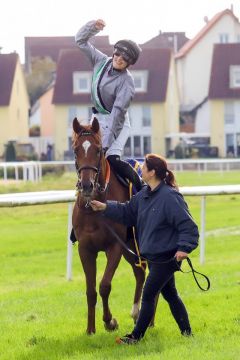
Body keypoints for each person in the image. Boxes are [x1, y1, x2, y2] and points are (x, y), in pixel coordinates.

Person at [90, 153, 199, 344]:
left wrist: (184, 248)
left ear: (152, 172)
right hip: (154, 257)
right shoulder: (143, 195)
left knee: (148, 295)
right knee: (171, 295)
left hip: (166, 258)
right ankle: (187, 333)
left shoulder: (170, 197)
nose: (140, 168)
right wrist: (104, 207)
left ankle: (135, 337)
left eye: (144, 166)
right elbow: (126, 212)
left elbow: (189, 227)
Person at [75, 19, 142, 191]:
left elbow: (117, 114)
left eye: (125, 59)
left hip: (117, 122)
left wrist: (104, 145)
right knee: (86, 154)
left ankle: (141, 189)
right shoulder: (101, 61)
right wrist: (92, 28)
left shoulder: (127, 82)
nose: (119, 59)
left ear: (130, 63)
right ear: (114, 52)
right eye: (118, 54)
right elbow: (80, 41)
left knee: (110, 158)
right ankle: (83, 188)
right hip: (97, 118)